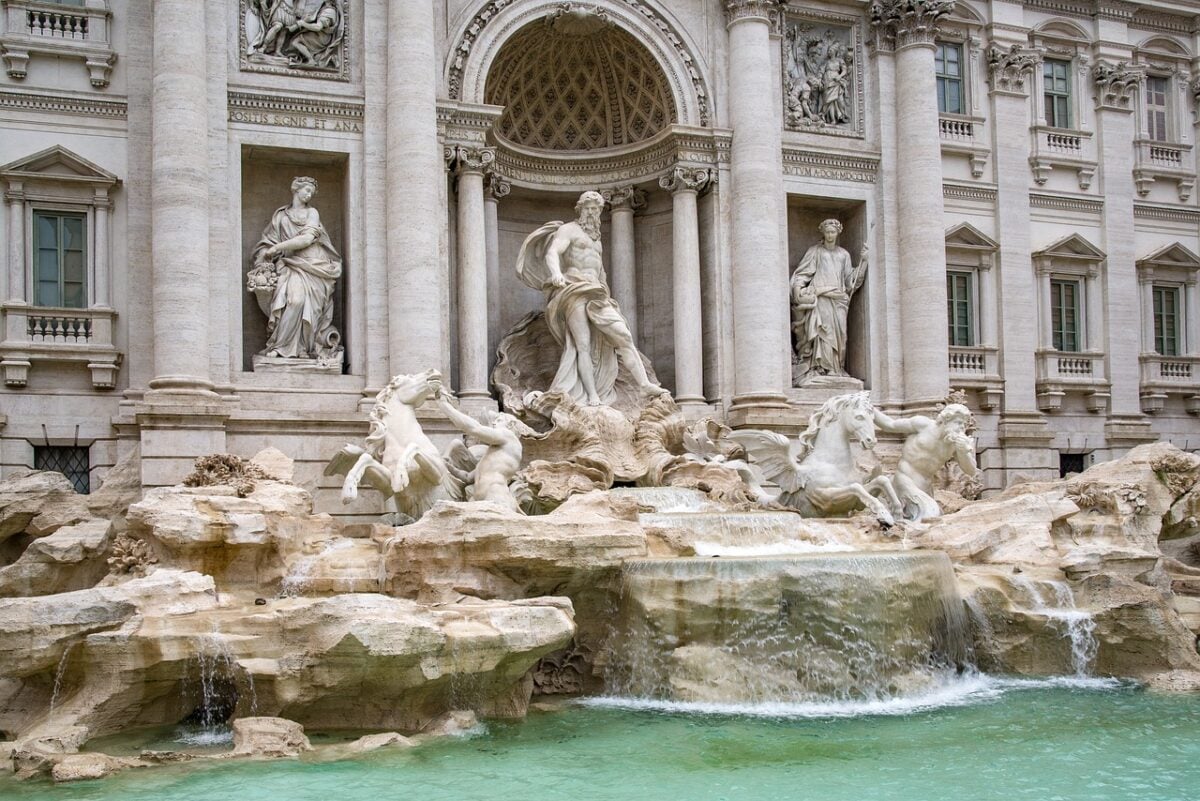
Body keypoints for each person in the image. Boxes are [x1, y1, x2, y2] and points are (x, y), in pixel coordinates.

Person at [515, 191, 666, 406]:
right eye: (589, 208)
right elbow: (552, 252)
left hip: (597, 292)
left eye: (596, 208)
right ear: (580, 209)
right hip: (574, 288)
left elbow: (600, 271)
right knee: (582, 344)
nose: (593, 212)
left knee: (623, 335)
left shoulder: (597, 240)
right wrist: (556, 273)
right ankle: (592, 395)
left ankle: (643, 385)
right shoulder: (568, 230)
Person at [249, 177, 342, 361]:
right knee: (295, 301)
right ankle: (281, 346)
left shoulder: (312, 213)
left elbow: (307, 239)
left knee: (310, 308)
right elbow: (267, 242)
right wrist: (267, 253)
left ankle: (303, 348)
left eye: (312, 192)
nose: (309, 194)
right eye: (306, 190)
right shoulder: (281, 216)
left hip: (315, 266)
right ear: (296, 190)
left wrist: (277, 248)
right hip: (291, 265)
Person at [872, 404, 979, 522]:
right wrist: (869, 408)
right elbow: (890, 425)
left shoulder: (955, 444)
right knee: (929, 515)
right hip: (905, 479)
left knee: (928, 518)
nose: (961, 428)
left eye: (964, 425)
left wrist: (963, 452)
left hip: (926, 488)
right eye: (958, 423)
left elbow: (971, 471)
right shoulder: (923, 425)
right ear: (946, 419)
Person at [790, 219, 867, 382]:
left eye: (833, 232)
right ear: (823, 233)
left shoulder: (843, 254)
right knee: (824, 333)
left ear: (838, 233)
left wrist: (864, 262)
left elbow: (850, 282)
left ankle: (837, 368)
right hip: (821, 298)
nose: (830, 235)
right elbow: (803, 274)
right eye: (828, 232)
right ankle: (821, 368)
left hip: (839, 299)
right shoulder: (815, 251)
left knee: (841, 336)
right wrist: (798, 290)